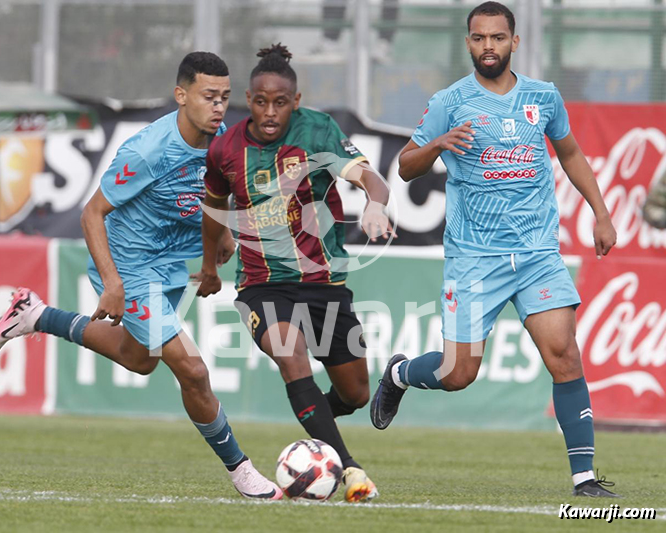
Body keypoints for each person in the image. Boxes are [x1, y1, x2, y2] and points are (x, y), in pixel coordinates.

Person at [0, 51, 282, 501]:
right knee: (193, 370)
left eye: (224, 97)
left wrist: (219, 242)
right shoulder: (148, 151)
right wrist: (112, 283)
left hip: (169, 263)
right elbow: (91, 214)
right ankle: (241, 470)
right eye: (208, 96)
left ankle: (37, 315)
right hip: (128, 262)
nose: (218, 107)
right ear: (181, 95)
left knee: (139, 359)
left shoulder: (221, 139)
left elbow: (217, 194)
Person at [370, 2, 620, 498]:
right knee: (457, 372)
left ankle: (585, 478)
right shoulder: (449, 100)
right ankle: (399, 374)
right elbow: (405, 167)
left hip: (535, 253)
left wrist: (601, 212)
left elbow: (569, 152)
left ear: (514, 42)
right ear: (468, 43)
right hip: (474, 258)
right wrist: (438, 143)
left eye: (498, 38)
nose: (489, 46)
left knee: (564, 356)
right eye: (479, 38)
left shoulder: (543, 98)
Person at [197, 44, 394, 503]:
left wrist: (376, 204)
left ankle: (311, 438)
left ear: (296, 101)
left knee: (356, 393)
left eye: (280, 102)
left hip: (325, 286)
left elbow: (371, 178)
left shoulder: (318, 131)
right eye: (260, 102)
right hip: (262, 285)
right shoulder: (226, 148)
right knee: (292, 356)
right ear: (249, 98)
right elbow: (213, 208)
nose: (269, 112)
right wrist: (210, 267)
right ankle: (350, 470)